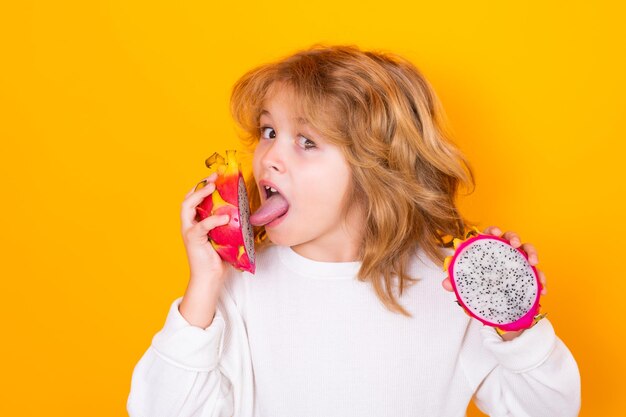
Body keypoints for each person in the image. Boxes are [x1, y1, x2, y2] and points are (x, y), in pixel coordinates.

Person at [127, 44, 580, 417]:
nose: (270, 158)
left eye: (306, 142)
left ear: (378, 171)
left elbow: (551, 410)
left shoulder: (447, 289)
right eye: (268, 131)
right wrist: (202, 290)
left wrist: (514, 323)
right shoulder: (238, 288)